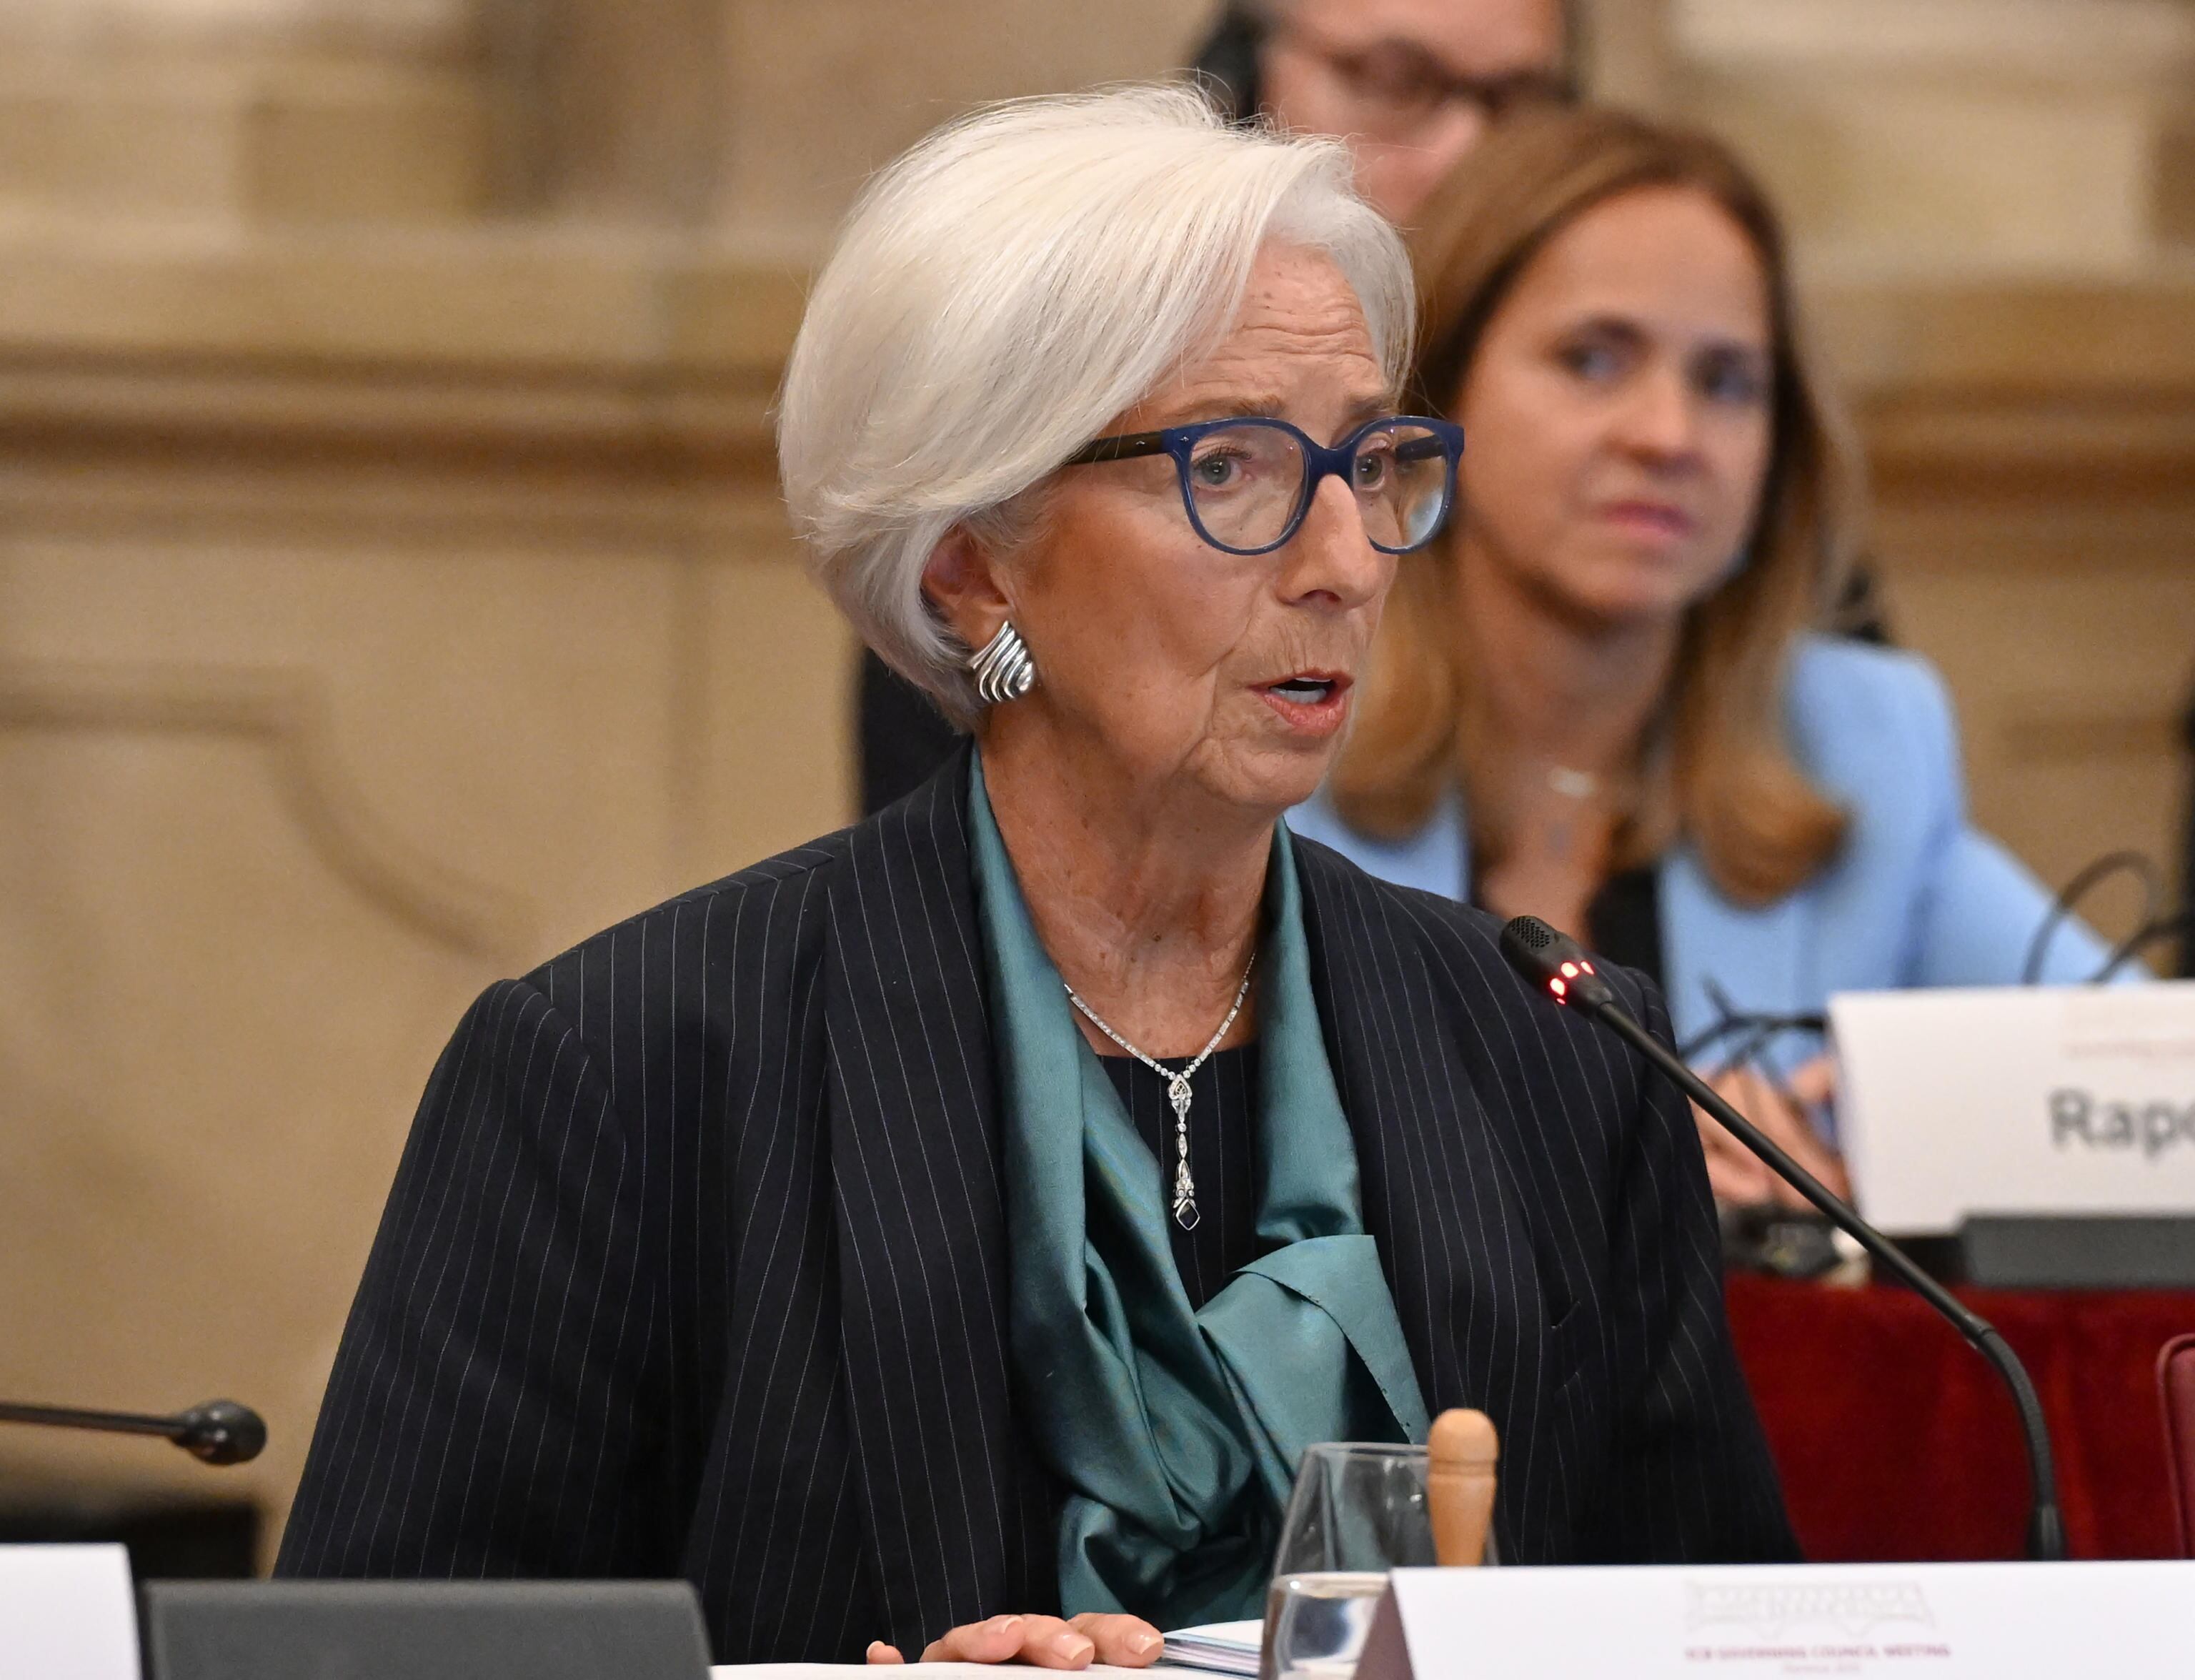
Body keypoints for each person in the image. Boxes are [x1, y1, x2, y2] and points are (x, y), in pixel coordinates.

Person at [275, 88, 1794, 1666]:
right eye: (1237, 466)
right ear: (973, 559)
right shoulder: (629, 1069)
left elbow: (1705, 1635)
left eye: (1372, 459)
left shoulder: (1557, 1056)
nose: (1345, 558)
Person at [1286, 106, 2120, 1210]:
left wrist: (1907, 1150)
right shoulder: (1286, 721)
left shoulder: (1858, 742)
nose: (1669, 435)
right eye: (1594, 359)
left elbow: (2150, 1097)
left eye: (1727, 381)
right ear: (1433, 402)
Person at [857, 0, 1577, 816]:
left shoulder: (1606, 499)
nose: (1469, 156)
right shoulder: (1021, 500)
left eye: (1519, 103)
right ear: (1236, 90)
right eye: (1396, 82)